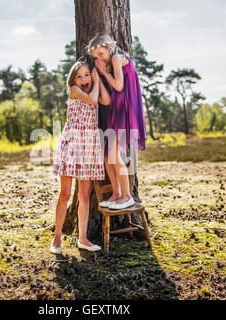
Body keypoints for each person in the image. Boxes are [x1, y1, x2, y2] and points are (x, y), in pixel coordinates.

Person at [50, 58, 110, 254]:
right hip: (73, 143)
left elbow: (105, 100)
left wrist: (99, 80)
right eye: (80, 76)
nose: (84, 79)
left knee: (84, 195)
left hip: (89, 145)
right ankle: (57, 237)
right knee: (66, 193)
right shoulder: (74, 92)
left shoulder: (93, 90)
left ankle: (83, 238)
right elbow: (93, 100)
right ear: (72, 81)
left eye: (87, 75)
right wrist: (95, 81)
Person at [87, 32, 147, 210]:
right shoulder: (113, 61)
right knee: (107, 156)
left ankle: (127, 196)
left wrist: (105, 73)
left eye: (101, 53)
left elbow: (119, 86)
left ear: (109, 47)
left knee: (113, 155)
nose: (99, 58)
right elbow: (112, 96)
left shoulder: (116, 58)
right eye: (95, 56)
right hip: (117, 108)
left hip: (124, 111)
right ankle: (116, 193)